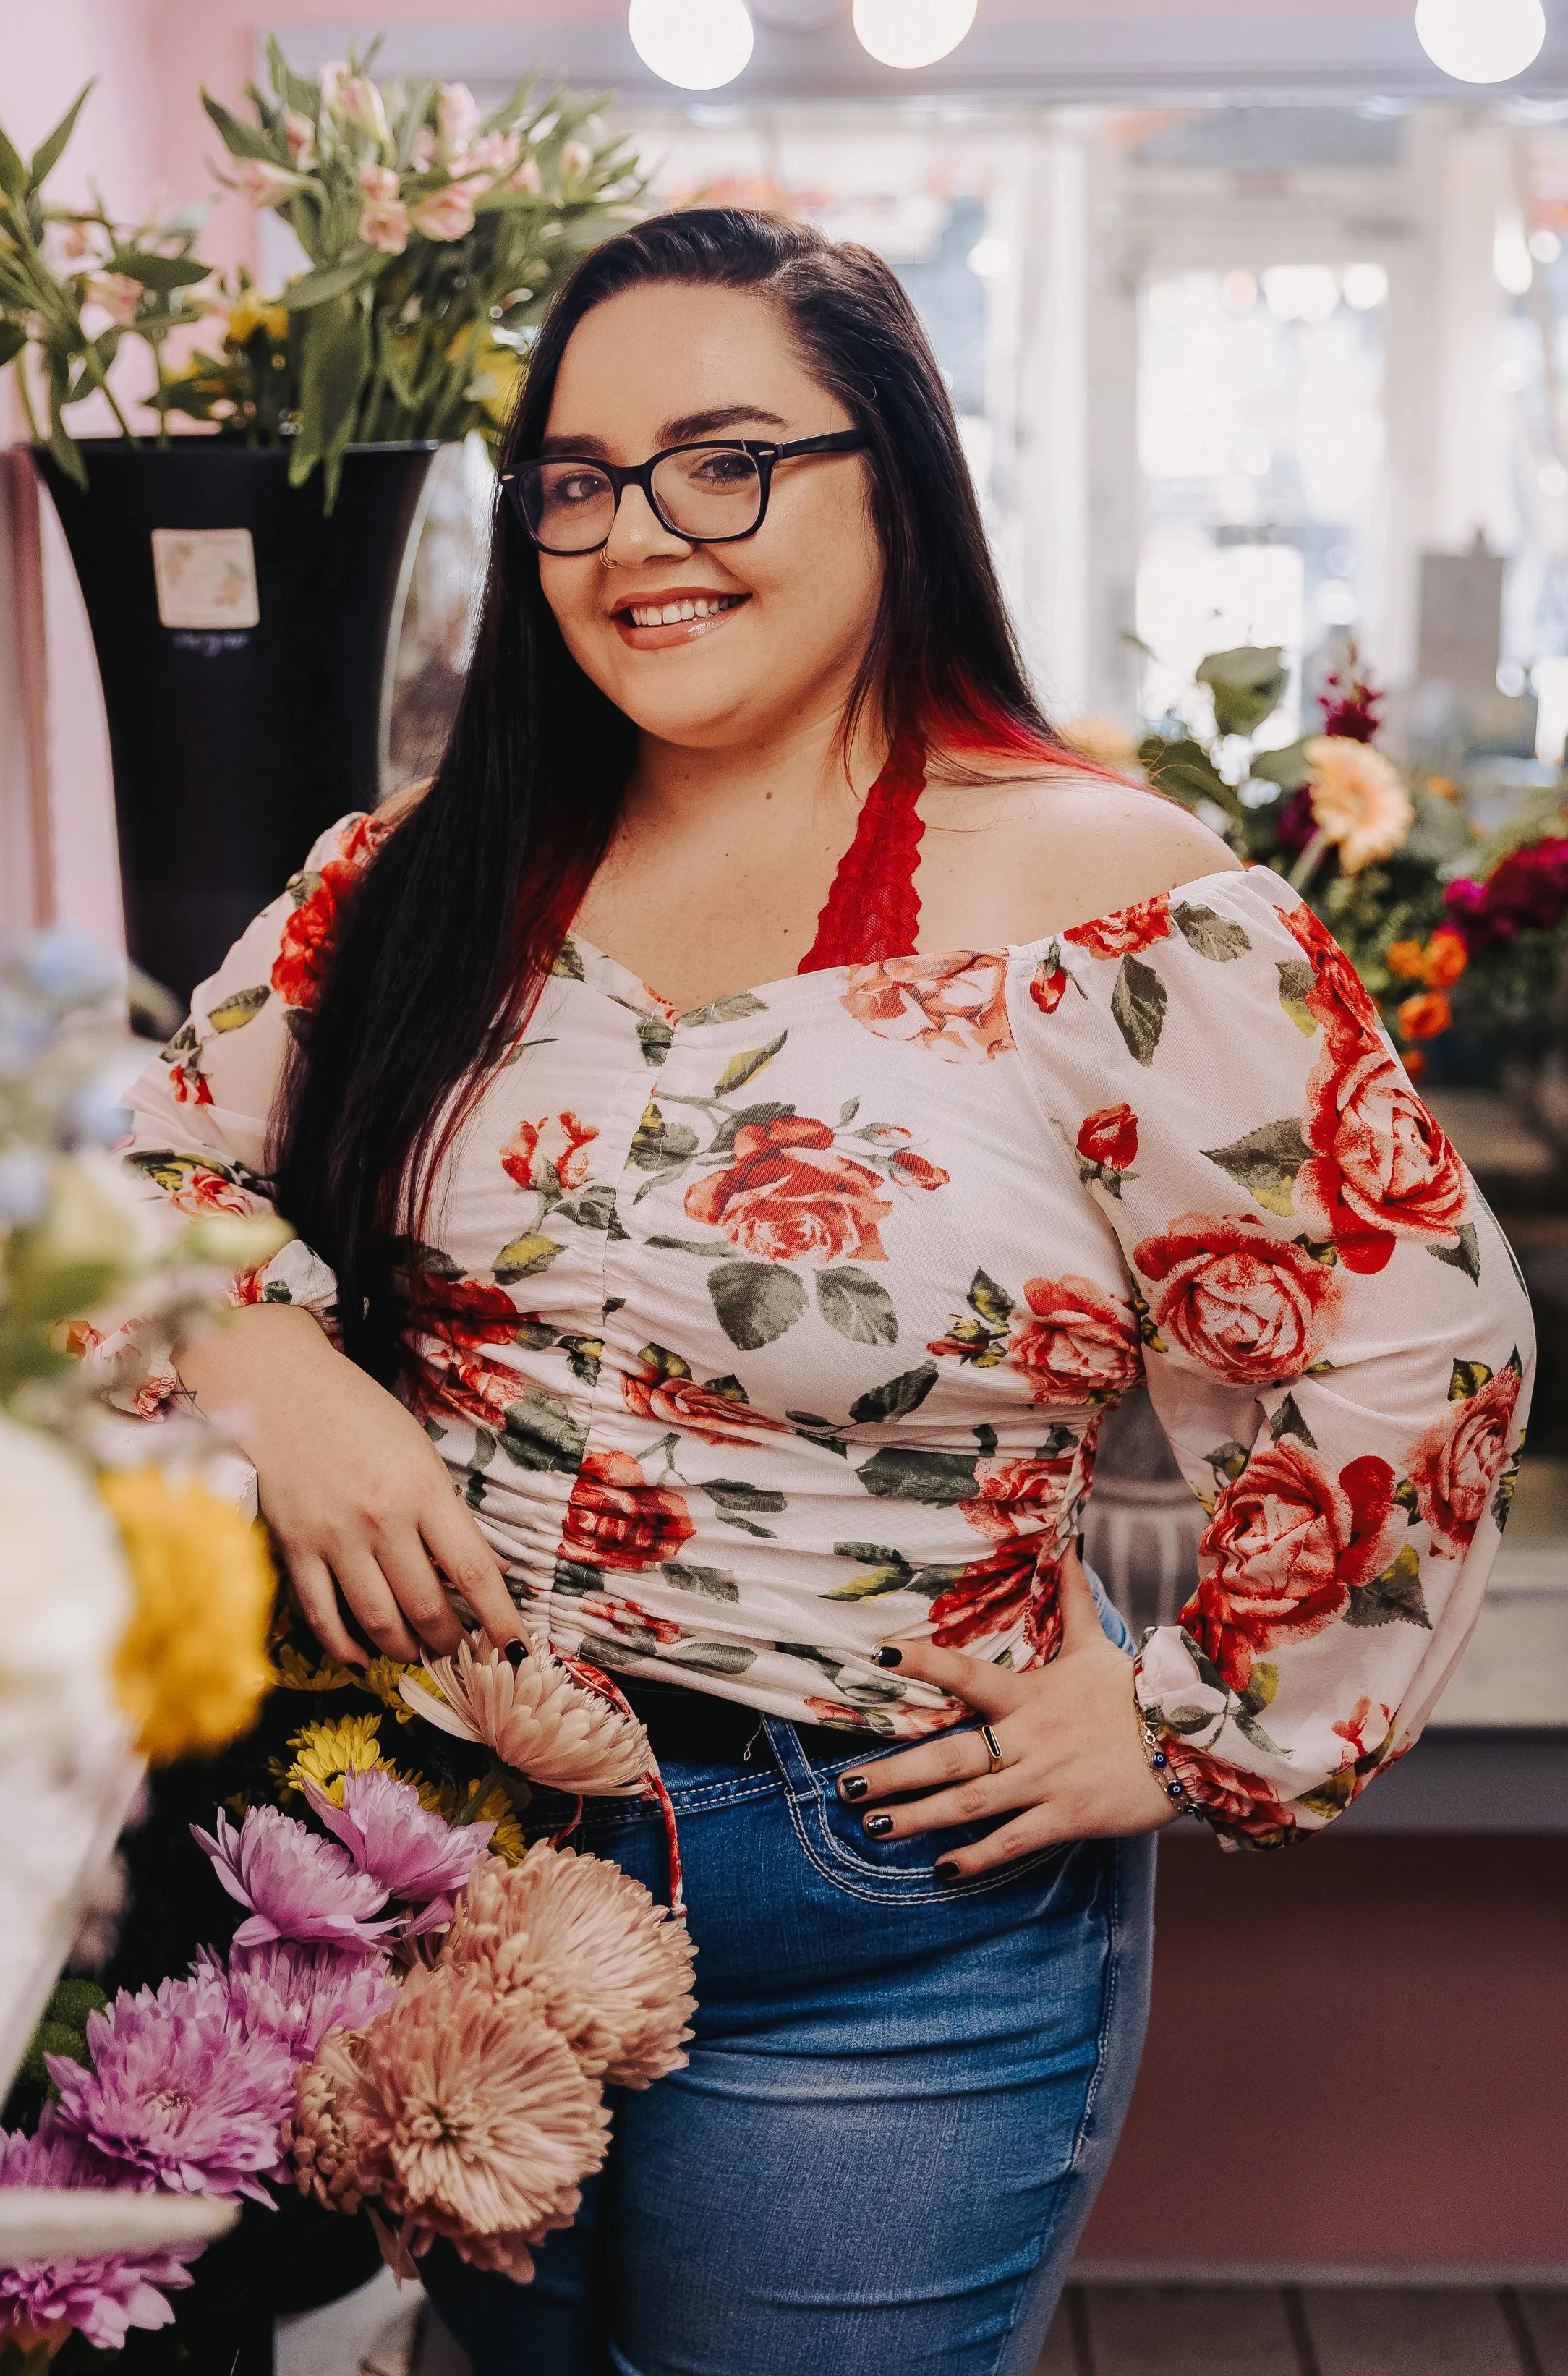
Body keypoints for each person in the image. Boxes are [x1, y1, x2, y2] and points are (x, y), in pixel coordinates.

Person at [115, 209, 1531, 2376]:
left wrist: (1187, 1714)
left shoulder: (1119, 910)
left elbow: (1407, 1340)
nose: (635, 537)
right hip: (442, 1855)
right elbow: (132, 1184)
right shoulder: (413, 876)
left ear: (893, 471)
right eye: (573, 480)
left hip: (882, 1905)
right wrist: (268, 1354)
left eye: (723, 458)